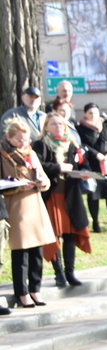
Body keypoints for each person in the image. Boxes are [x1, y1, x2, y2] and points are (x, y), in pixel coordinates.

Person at [1, 120, 57, 308]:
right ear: (9, 138)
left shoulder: (31, 153)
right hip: (17, 207)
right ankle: (22, 292)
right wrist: (17, 186)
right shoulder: (3, 155)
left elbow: (44, 178)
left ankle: (35, 288)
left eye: (25, 140)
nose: (23, 144)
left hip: (35, 205)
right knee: (21, 251)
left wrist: (43, 183)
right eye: (19, 140)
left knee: (36, 251)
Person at [33, 113, 90, 288]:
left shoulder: (72, 144)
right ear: (46, 127)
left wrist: (85, 173)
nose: (58, 126)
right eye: (53, 124)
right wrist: (59, 167)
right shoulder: (40, 145)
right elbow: (38, 166)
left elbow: (83, 164)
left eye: (61, 124)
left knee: (70, 235)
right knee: (53, 236)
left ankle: (70, 272)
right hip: (51, 196)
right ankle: (59, 274)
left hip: (70, 196)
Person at [78, 103, 107, 233]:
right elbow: (82, 145)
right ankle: (96, 223)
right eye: (90, 113)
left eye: (96, 113)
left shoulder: (106, 127)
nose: (93, 116)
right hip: (92, 166)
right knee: (93, 195)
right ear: (85, 114)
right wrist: (95, 154)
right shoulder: (80, 129)